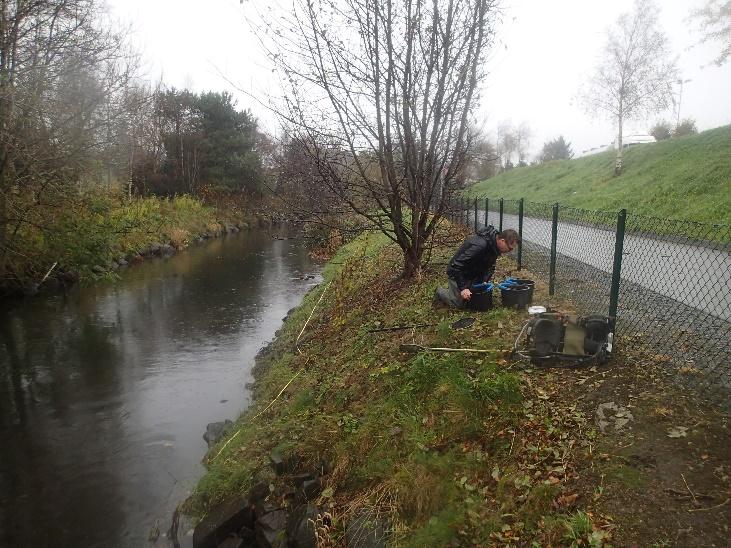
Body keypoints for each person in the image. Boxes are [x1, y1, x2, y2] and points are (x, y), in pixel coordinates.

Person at [434, 226, 520, 309]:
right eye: (510, 248)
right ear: (502, 241)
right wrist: (463, 288)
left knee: (473, 298)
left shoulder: (495, 246)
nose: (510, 251)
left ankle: (465, 288)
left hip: (472, 272)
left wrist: (484, 281)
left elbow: (490, 267)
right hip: (457, 273)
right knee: (458, 304)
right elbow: (456, 265)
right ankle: (440, 292)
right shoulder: (480, 245)